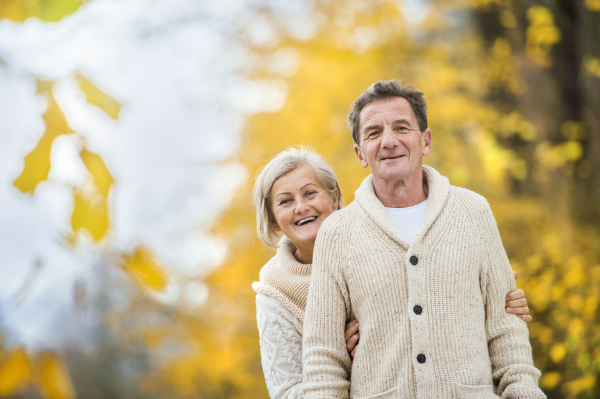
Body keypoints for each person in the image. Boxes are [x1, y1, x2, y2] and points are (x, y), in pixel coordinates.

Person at [302, 81, 546, 399]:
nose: (388, 141)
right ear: (360, 153)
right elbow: (323, 360)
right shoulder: (337, 234)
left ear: (425, 140)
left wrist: (524, 392)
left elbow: (506, 329)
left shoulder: (473, 211)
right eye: (374, 133)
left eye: (401, 127)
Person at [252, 147, 532, 398]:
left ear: (334, 197)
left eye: (310, 192)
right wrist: (350, 364)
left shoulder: (385, 246)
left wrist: (493, 302)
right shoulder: (274, 293)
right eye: (285, 201)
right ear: (274, 220)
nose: (301, 207)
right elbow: (286, 391)